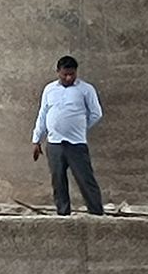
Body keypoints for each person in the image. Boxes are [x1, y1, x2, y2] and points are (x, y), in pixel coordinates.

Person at [31, 56, 104, 216]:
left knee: (85, 179)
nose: (69, 78)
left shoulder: (86, 89)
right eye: (65, 74)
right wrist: (37, 139)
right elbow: (43, 114)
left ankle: (96, 213)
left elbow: (96, 113)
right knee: (58, 180)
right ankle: (63, 213)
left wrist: (80, 127)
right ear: (58, 72)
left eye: (72, 74)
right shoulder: (49, 89)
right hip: (54, 143)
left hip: (76, 143)